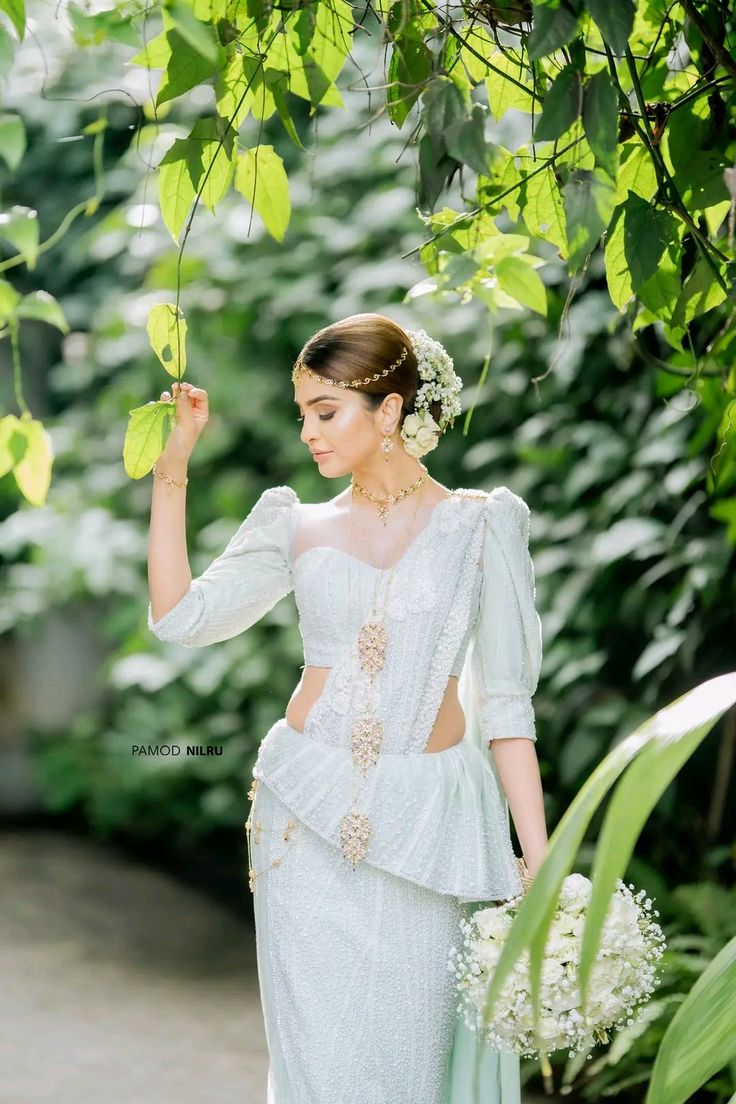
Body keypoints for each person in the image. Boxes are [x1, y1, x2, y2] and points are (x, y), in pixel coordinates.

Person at [147, 312, 548, 1104]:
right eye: (303, 415)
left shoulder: (480, 526)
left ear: (391, 411)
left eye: (325, 412)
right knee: (319, 1071)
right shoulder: (295, 524)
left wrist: (538, 858)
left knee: (407, 1064)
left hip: (427, 827)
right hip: (304, 818)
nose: (309, 435)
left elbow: (507, 706)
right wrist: (173, 468)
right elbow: (180, 619)